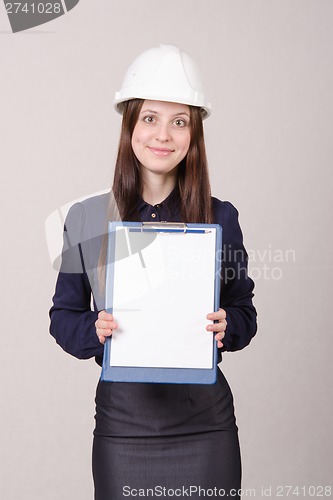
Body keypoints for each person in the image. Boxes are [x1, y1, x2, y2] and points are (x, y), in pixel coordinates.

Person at [49, 44, 257, 499]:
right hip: (123, 429)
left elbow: (244, 311)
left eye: (179, 121)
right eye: (149, 118)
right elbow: (62, 317)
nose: (163, 135)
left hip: (205, 428)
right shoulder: (85, 219)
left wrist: (229, 325)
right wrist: (94, 329)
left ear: (193, 133)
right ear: (129, 126)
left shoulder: (220, 218)